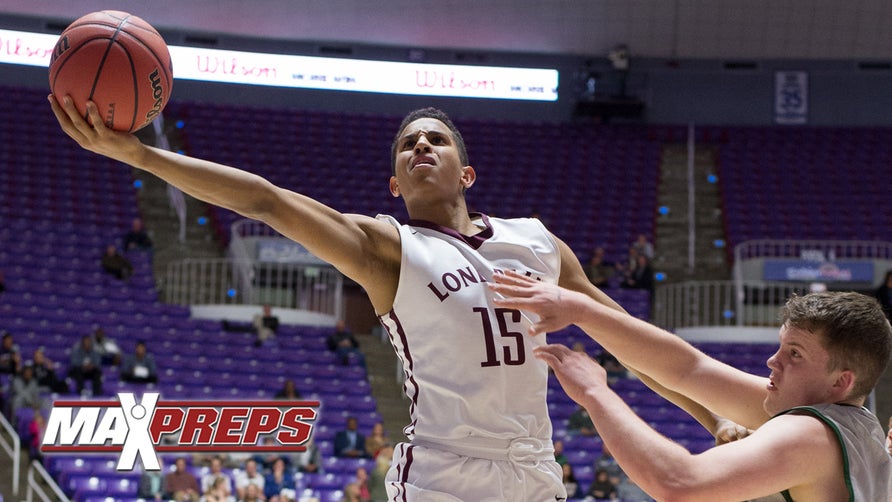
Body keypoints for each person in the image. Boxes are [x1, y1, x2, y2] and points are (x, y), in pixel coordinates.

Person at [49, 99, 718, 501]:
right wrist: (141, 155)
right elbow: (264, 199)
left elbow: (631, 342)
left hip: (536, 475)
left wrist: (718, 423)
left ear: (467, 171)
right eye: (406, 145)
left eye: (436, 139)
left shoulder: (539, 243)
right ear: (395, 184)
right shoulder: (386, 246)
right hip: (442, 479)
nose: (420, 146)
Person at [489, 270, 892, 501]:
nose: (773, 361)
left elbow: (678, 484)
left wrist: (596, 393)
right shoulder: (855, 424)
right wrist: (582, 310)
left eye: (795, 355)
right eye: (781, 347)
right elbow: (687, 368)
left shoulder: (810, 433)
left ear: (842, 381)